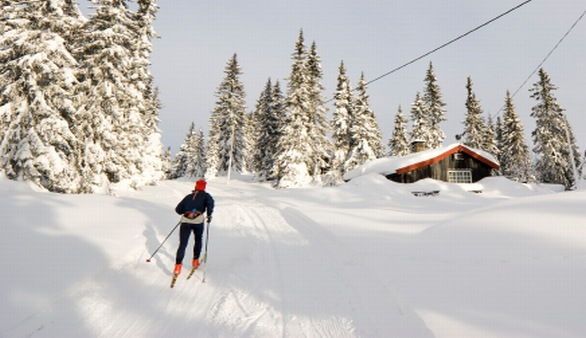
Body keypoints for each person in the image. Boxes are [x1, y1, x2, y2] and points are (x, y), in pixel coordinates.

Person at [173, 179, 214, 276]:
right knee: (198, 240)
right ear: (204, 187)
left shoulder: (188, 197)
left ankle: (177, 267)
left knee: (182, 244)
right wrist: (209, 215)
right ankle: (195, 261)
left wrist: (187, 211)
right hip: (198, 222)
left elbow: (178, 210)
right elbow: (210, 204)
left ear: (196, 186)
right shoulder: (206, 196)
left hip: (185, 222)